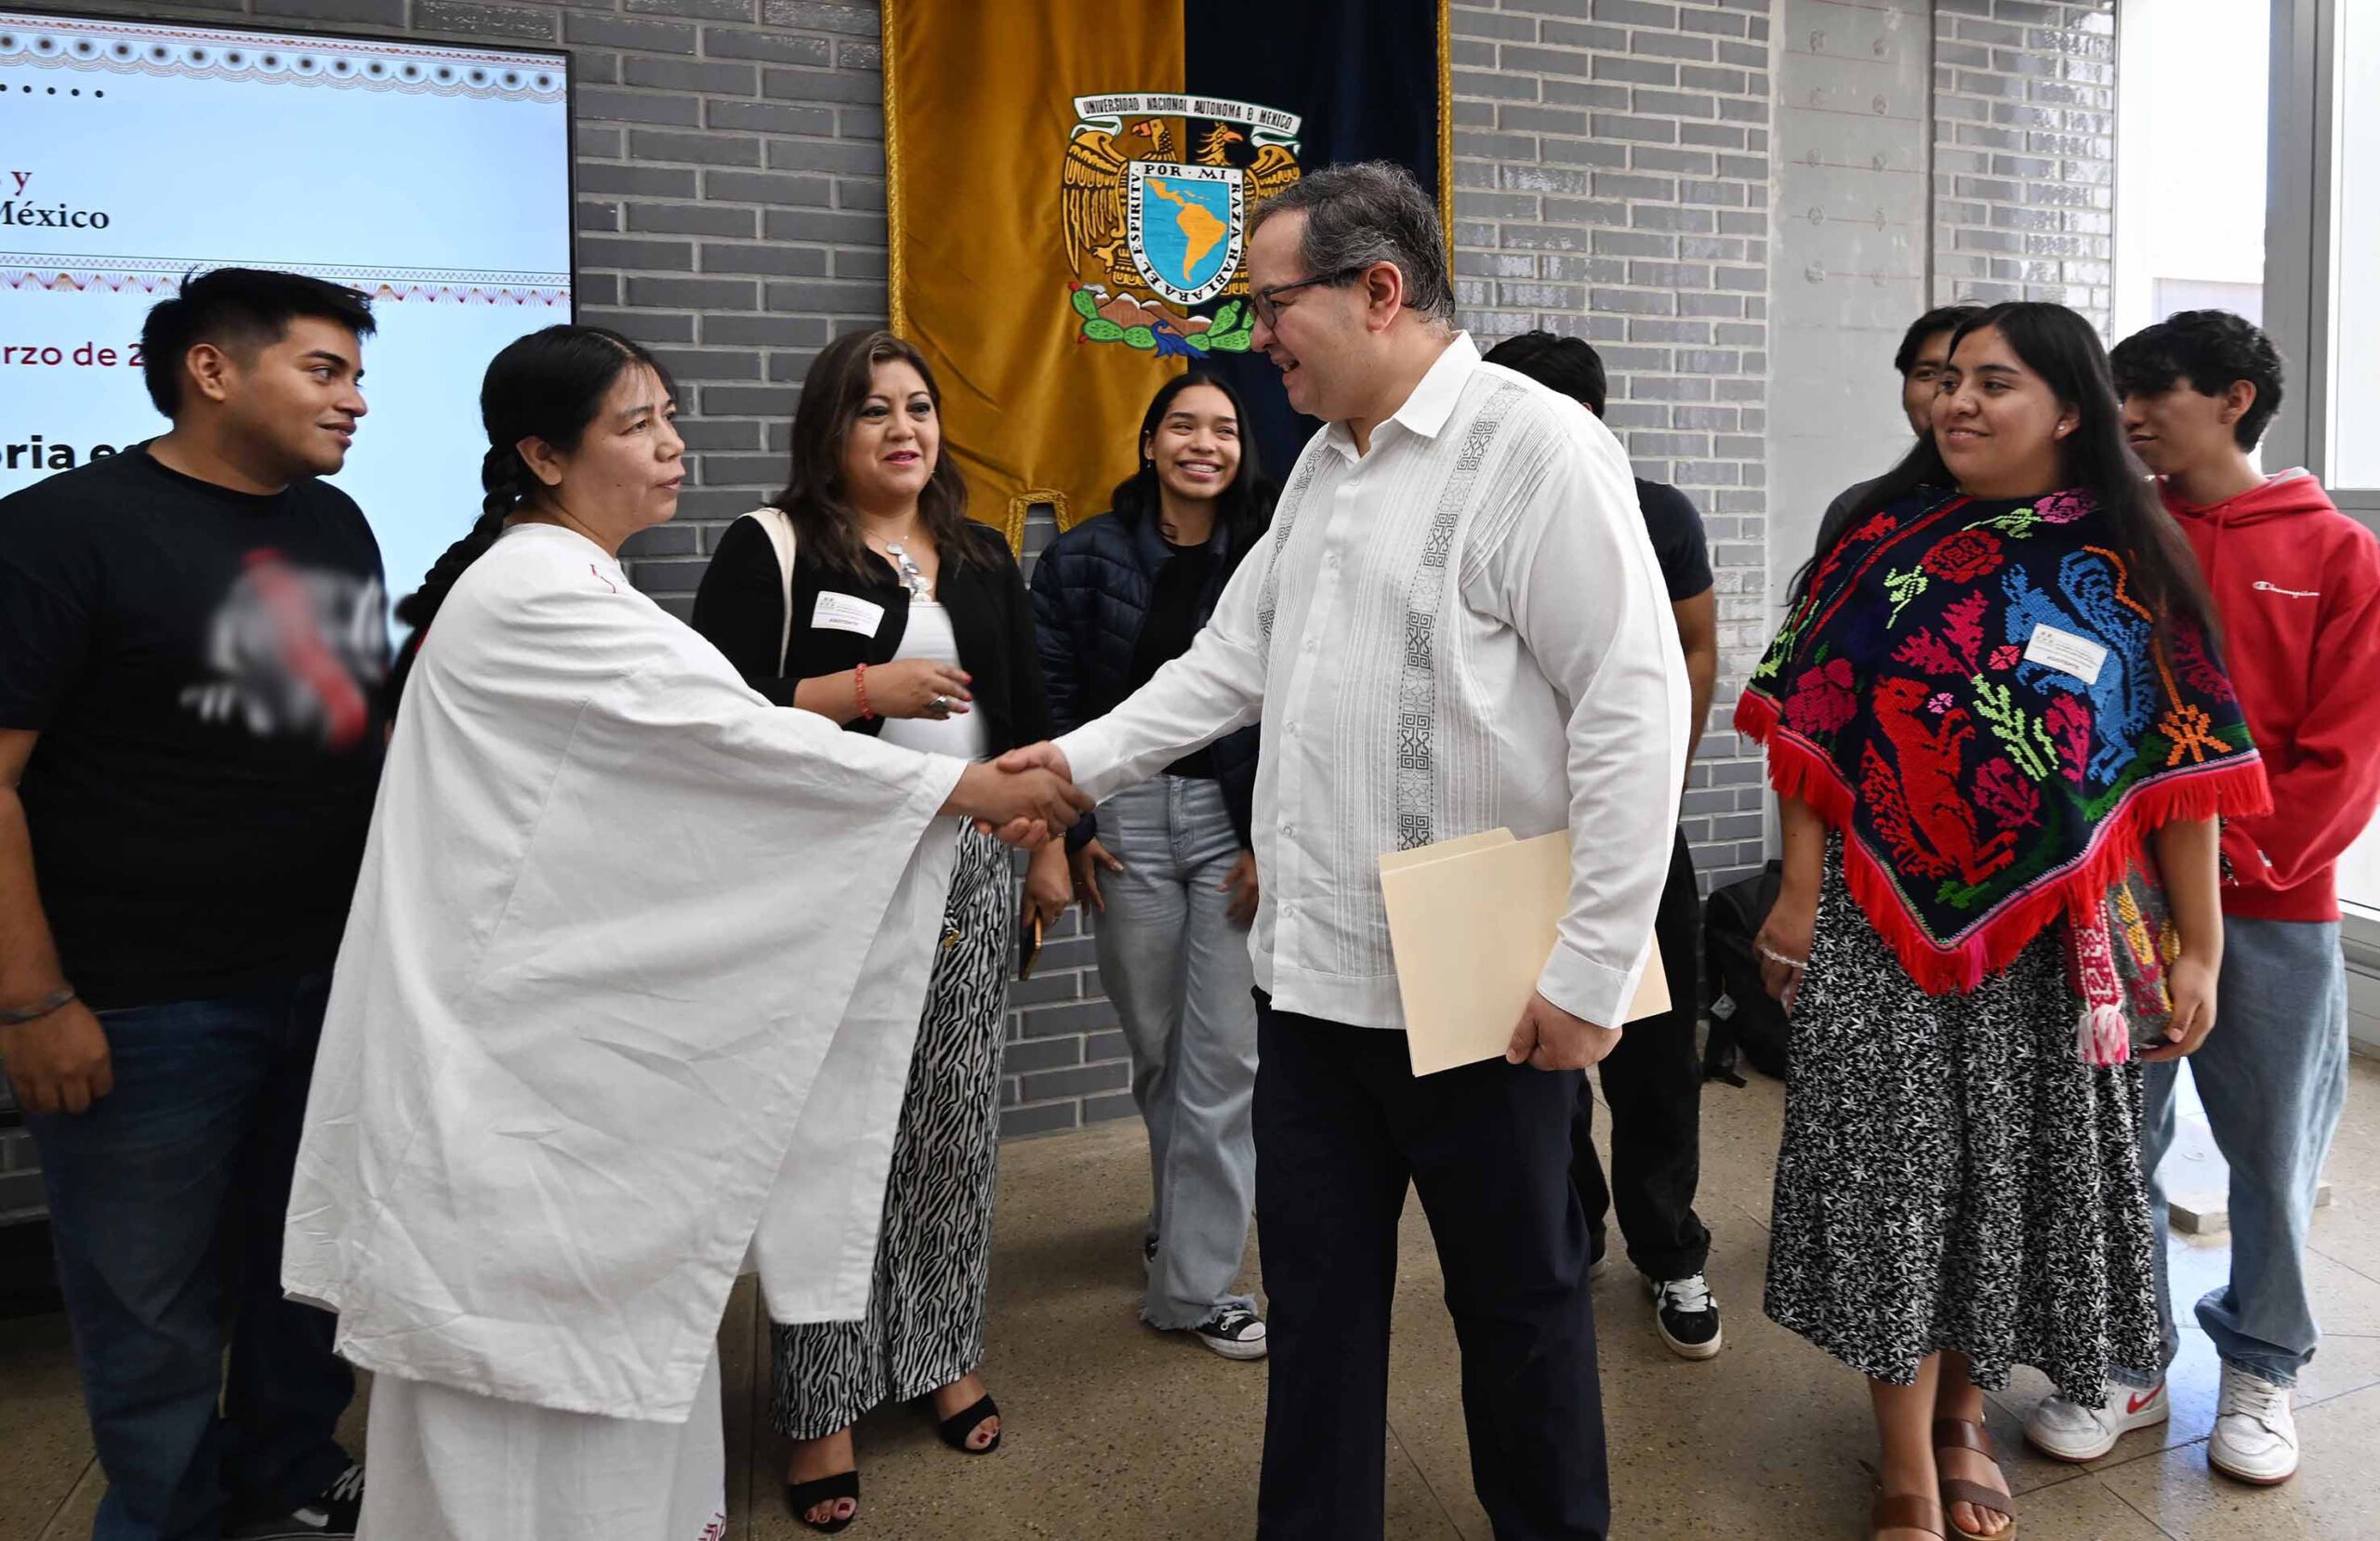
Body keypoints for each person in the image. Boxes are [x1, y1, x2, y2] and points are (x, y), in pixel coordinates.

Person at [279, 324, 1086, 1541]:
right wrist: (961, 790)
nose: (670, 445)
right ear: (544, 455)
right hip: (505, 1072)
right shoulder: (538, 590)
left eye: (670, 416)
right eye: (636, 424)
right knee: (516, 1414)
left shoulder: (572, 575)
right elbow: (732, 736)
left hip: (554, 1054)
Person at [1003, 161, 1686, 1541]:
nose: (1259, 341)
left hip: (1485, 993)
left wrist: (1593, 968)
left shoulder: (1538, 448)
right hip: (1310, 978)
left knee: (1521, 1302)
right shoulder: (1323, 461)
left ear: (1380, 292)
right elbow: (1226, 664)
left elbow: (1635, 710)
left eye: (1273, 305)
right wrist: (1065, 769)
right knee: (1318, 1309)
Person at [1739, 301, 2271, 1541]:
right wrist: (1800, 896)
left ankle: (1965, 1410)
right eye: (1950, 381)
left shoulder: (2134, 562)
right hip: (1881, 931)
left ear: (2071, 409)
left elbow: (2180, 765)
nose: (1959, 402)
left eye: (1997, 382)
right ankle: (1905, 1460)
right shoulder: (1880, 542)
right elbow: (1811, 732)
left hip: (2050, 945)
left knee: (2005, 1182)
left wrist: (2203, 941)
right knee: (1895, 1182)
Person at [0, 268, 385, 1541]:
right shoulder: (62, 532)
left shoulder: (335, 526)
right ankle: (163, 1518)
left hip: (325, 981)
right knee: (149, 1309)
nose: (355, 401)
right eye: (324, 370)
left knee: (305, 1267)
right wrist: (33, 998)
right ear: (212, 369)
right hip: (144, 1002)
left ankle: (288, 1470)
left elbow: (342, 730)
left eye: (356, 374)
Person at [689, 328, 1072, 1534]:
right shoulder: (776, 546)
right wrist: (863, 692)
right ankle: (819, 1403)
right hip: (832, 875)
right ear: (828, 432)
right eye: (872, 411)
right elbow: (714, 716)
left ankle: (941, 1351)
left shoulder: (977, 553)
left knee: (951, 1128)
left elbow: (1026, 712)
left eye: (918, 406)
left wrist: (1053, 837)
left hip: (970, 870)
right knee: (834, 1139)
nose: (903, 428)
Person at [2022, 310, 2380, 1483]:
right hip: (2118, 904)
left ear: (2233, 398)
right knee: (2113, 1132)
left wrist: (2224, 873)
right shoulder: (2118, 536)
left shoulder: (2337, 553)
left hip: (2275, 910)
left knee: (2270, 1149)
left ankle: (2263, 1364)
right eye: (2116, 393)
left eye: (2151, 393)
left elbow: (2346, 753)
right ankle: (2121, 1353)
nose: (2124, 416)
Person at [1480, 330, 1722, 1361]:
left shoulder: (1651, 510)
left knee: (1657, 1061)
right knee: (1538, 1055)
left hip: (1633, 839)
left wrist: (1653, 785)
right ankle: (1570, 1230)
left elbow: (1696, 647)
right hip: (1518, 844)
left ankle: (1669, 1249)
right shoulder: (1476, 518)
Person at [1030, 372, 1274, 1360]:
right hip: (1120, 820)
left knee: (1224, 1059)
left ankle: (1193, 1283)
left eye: (1222, 429)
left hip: (1228, 821)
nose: (1203, 443)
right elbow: (1047, 693)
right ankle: (1185, 1218)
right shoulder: (1083, 555)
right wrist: (1067, 830)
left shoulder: (1265, 556)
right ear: (1148, 442)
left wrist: (1270, 832)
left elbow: (1284, 705)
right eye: (1182, 425)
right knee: (1160, 1051)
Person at [1818, 305, 1988, 556]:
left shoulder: (2061, 512)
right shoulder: (1859, 511)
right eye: (1929, 374)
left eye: (1990, 383)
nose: (1952, 398)